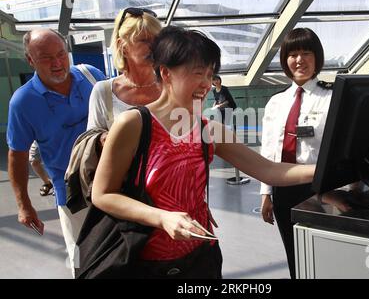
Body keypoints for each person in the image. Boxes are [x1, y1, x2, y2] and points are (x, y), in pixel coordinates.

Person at [91, 26, 315, 279]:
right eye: (198, 73)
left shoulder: (210, 131)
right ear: (165, 73)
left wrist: (325, 169)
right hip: (146, 261)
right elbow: (103, 194)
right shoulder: (134, 124)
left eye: (210, 74)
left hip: (202, 256)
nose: (206, 84)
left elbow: (269, 170)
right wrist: (161, 218)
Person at [7, 28, 105, 273]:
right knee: (83, 258)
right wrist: (23, 205)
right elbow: (17, 155)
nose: (57, 63)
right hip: (73, 192)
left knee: (125, 249)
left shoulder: (91, 77)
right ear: (30, 60)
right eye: (46, 58)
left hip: (115, 180)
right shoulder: (23, 102)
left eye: (61, 54)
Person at [259, 27, 333, 278]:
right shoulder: (276, 102)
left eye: (306, 53)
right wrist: (266, 193)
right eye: (293, 54)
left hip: (320, 188)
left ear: (317, 58)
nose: (299, 60)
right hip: (283, 188)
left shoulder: (331, 98)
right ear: (285, 60)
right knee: (294, 254)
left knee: (322, 255)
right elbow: (269, 150)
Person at [87, 7, 162, 133]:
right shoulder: (104, 92)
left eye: (157, 40)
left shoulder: (171, 87)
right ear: (123, 46)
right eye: (144, 40)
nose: (154, 47)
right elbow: (91, 140)